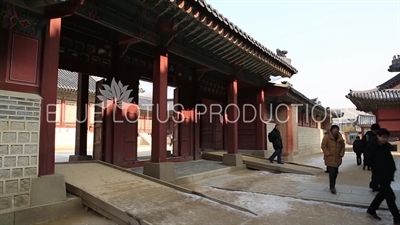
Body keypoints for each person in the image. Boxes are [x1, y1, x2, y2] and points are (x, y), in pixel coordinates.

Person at [365, 128, 400, 224]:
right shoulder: (371, 147)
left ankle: (371, 210)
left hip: (388, 173)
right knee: (390, 197)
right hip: (380, 175)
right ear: (378, 136)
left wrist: (392, 169)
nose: (385, 139)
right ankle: (397, 219)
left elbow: (389, 159)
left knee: (382, 194)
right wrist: (377, 167)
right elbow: (367, 160)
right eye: (383, 137)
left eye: (386, 137)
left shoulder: (386, 146)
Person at [321, 125, 345, 194]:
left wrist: (341, 153)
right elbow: (323, 145)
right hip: (330, 158)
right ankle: (332, 187)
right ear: (331, 130)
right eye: (334, 129)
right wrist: (327, 153)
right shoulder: (327, 137)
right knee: (332, 173)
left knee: (336, 172)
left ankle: (332, 184)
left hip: (337, 158)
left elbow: (343, 146)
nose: (335, 130)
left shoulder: (340, 137)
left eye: (337, 129)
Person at [361, 123, 381, 191]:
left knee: (376, 172)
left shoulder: (378, 136)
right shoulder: (368, 136)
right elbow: (363, 145)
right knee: (375, 172)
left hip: (377, 157)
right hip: (371, 157)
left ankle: (373, 184)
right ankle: (374, 186)